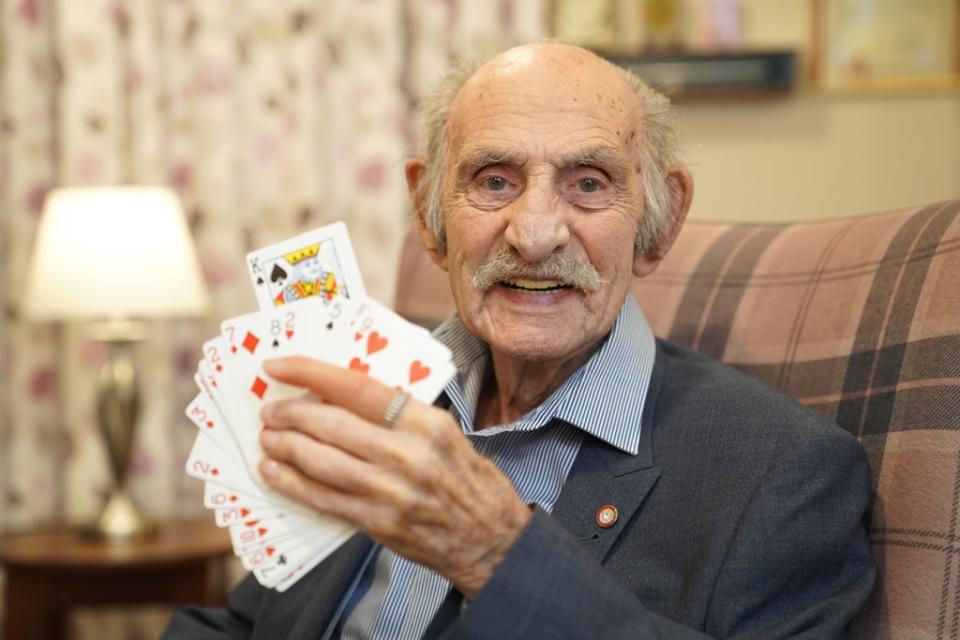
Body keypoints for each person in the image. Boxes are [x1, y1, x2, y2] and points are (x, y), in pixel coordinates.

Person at [164, 42, 875, 639]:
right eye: (495, 180)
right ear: (428, 212)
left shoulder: (787, 474)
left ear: (658, 225)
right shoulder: (367, 388)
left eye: (589, 184)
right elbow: (247, 624)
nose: (535, 235)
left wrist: (496, 553)